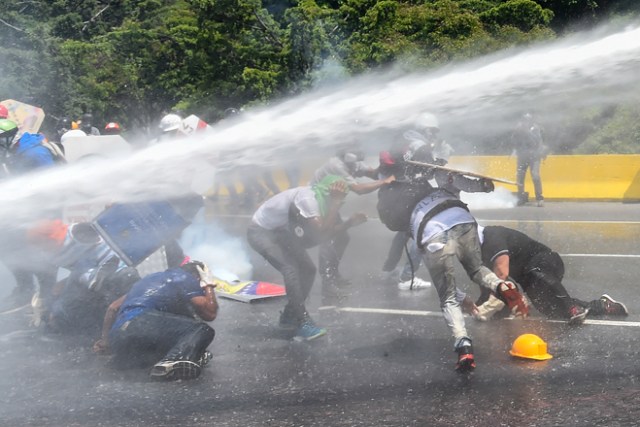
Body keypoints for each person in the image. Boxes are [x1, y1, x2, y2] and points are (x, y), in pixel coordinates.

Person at [410, 169, 528, 372]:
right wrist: (484, 185)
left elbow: (438, 274)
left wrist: (461, 296)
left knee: (447, 296)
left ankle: (463, 346)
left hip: (431, 232)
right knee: (476, 269)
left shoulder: (407, 202)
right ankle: (501, 286)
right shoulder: (442, 176)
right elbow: (467, 184)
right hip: (462, 219)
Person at [247, 175, 367, 341]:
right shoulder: (308, 200)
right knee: (290, 269)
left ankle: (289, 315)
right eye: (338, 196)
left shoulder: (321, 201)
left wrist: (348, 222)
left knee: (308, 270)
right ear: (327, 192)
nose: (340, 201)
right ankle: (303, 322)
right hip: (261, 232)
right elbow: (321, 234)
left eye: (342, 197)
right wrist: (336, 204)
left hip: (280, 233)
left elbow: (319, 237)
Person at [468, 225, 628, 324]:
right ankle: (601, 305)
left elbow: (501, 274)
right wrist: (476, 308)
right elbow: (492, 284)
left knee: (535, 271)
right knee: (551, 310)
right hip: (531, 280)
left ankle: (572, 307)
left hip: (548, 263)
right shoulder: (478, 251)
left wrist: (488, 306)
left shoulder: (492, 236)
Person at [93, 261, 218, 380]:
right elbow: (210, 314)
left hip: (120, 334)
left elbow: (113, 308)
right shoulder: (184, 277)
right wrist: (208, 285)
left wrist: (106, 341)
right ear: (197, 277)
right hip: (141, 322)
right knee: (202, 329)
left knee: (178, 342)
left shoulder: (149, 279)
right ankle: (173, 361)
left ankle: (163, 360)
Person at [311, 145, 394, 296]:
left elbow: (373, 174)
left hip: (330, 200)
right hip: (319, 201)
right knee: (327, 240)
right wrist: (385, 182)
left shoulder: (353, 163)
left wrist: (385, 166)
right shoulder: (336, 165)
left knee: (343, 237)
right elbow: (359, 189)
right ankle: (327, 282)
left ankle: (334, 274)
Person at [512, 112, 546, 207]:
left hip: (534, 156)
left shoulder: (535, 129)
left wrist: (527, 132)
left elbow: (537, 141)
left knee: (535, 175)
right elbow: (514, 140)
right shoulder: (518, 129)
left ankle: (539, 198)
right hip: (522, 156)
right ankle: (521, 197)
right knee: (520, 176)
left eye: (528, 120)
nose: (526, 122)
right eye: (524, 120)